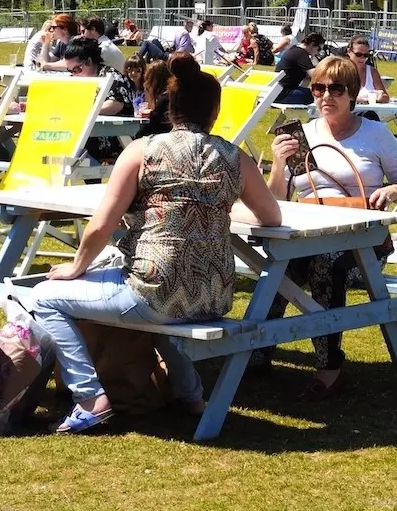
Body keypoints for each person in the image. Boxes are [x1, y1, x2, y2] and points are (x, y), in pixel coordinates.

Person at [27, 55, 284, 432]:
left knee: (41, 297)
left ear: (169, 106)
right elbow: (271, 217)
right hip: (213, 294)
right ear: (215, 111)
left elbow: (103, 224)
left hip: (155, 289)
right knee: (162, 312)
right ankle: (192, 397)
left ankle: (89, 397)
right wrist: (221, 210)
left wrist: (76, 267)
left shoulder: (142, 151)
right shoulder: (235, 157)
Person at [258, 55, 397, 397]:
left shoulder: (375, 134)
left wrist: (391, 189)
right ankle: (256, 353)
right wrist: (278, 165)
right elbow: (274, 201)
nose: (325, 96)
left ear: (353, 93)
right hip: (308, 236)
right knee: (274, 272)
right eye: (318, 88)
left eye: (336, 88)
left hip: (365, 245)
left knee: (324, 266)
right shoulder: (301, 135)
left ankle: (330, 367)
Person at [62, 37, 138, 165]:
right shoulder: (77, 80)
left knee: (72, 147)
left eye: (77, 69)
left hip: (114, 136)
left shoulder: (110, 75)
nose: (74, 74)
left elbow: (115, 104)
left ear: (89, 61)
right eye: (70, 71)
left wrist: (84, 111)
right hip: (88, 135)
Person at [275, 31, 326, 105]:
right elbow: (316, 75)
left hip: (278, 92)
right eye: (318, 49)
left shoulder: (295, 50)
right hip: (284, 94)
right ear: (312, 45)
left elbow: (308, 76)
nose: (318, 52)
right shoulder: (301, 54)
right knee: (321, 94)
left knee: (315, 92)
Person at [134, 59, 173, 140]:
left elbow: (148, 129)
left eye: (149, 79)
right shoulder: (171, 95)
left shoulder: (164, 99)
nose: (146, 83)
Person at [346, 34, 389, 101]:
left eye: (366, 55)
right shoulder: (341, 71)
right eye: (358, 54)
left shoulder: (372, 72)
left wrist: (381, 96)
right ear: (349, 52)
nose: (362, 58)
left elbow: (385, 97)